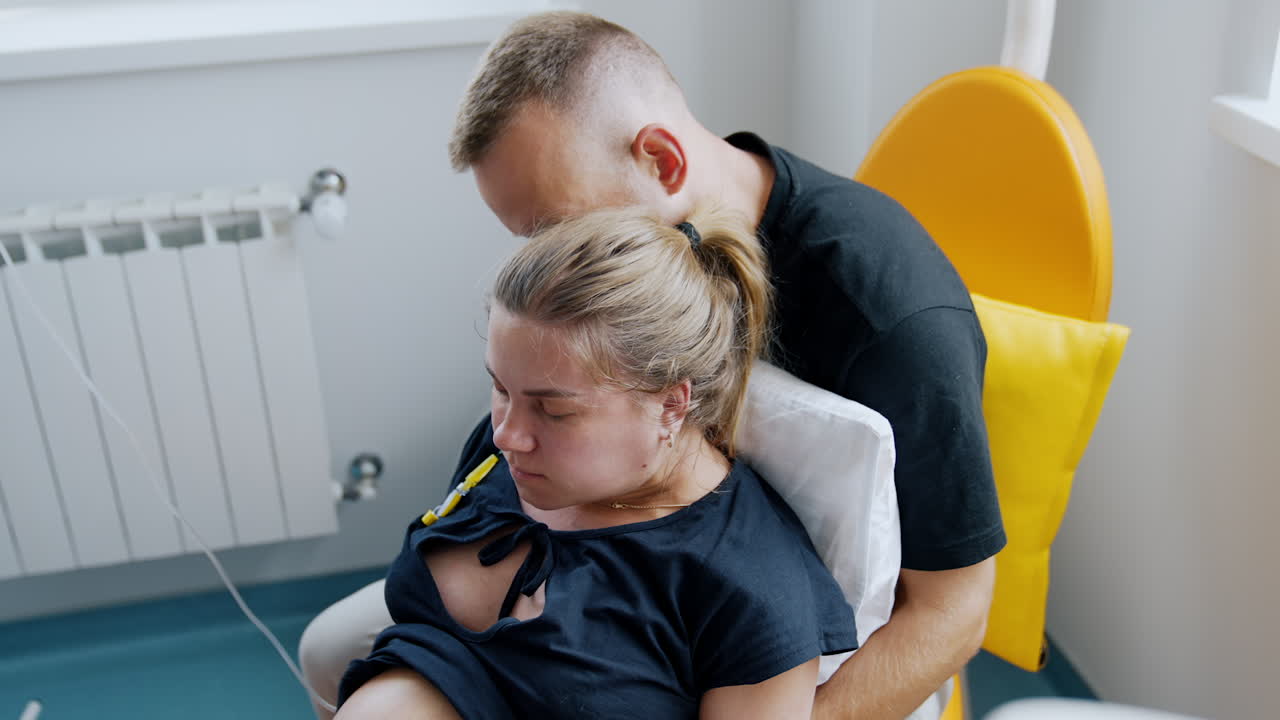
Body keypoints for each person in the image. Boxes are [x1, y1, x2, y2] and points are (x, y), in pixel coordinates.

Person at [301, 11, 1005, 719]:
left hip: (800, 651)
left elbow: (954, 613)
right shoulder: (639, 229)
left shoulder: (893, 322)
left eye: (556, 229)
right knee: (330, 650)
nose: (556, 260)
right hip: (617, 544)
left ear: (662, 161)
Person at [334, 206, 858, 719]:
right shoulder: (512, 454)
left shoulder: (751, 593)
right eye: (500, 388)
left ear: (670, 405)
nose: (505, 435)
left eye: (554, 411)